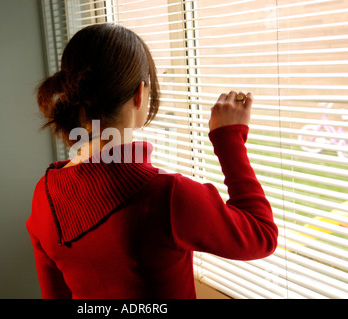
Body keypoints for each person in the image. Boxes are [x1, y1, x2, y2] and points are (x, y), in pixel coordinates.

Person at [26, 23, 278, 299]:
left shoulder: (45, 195)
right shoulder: (166, 197)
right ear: (139, 94)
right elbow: (262, 234)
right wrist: (228, 138)